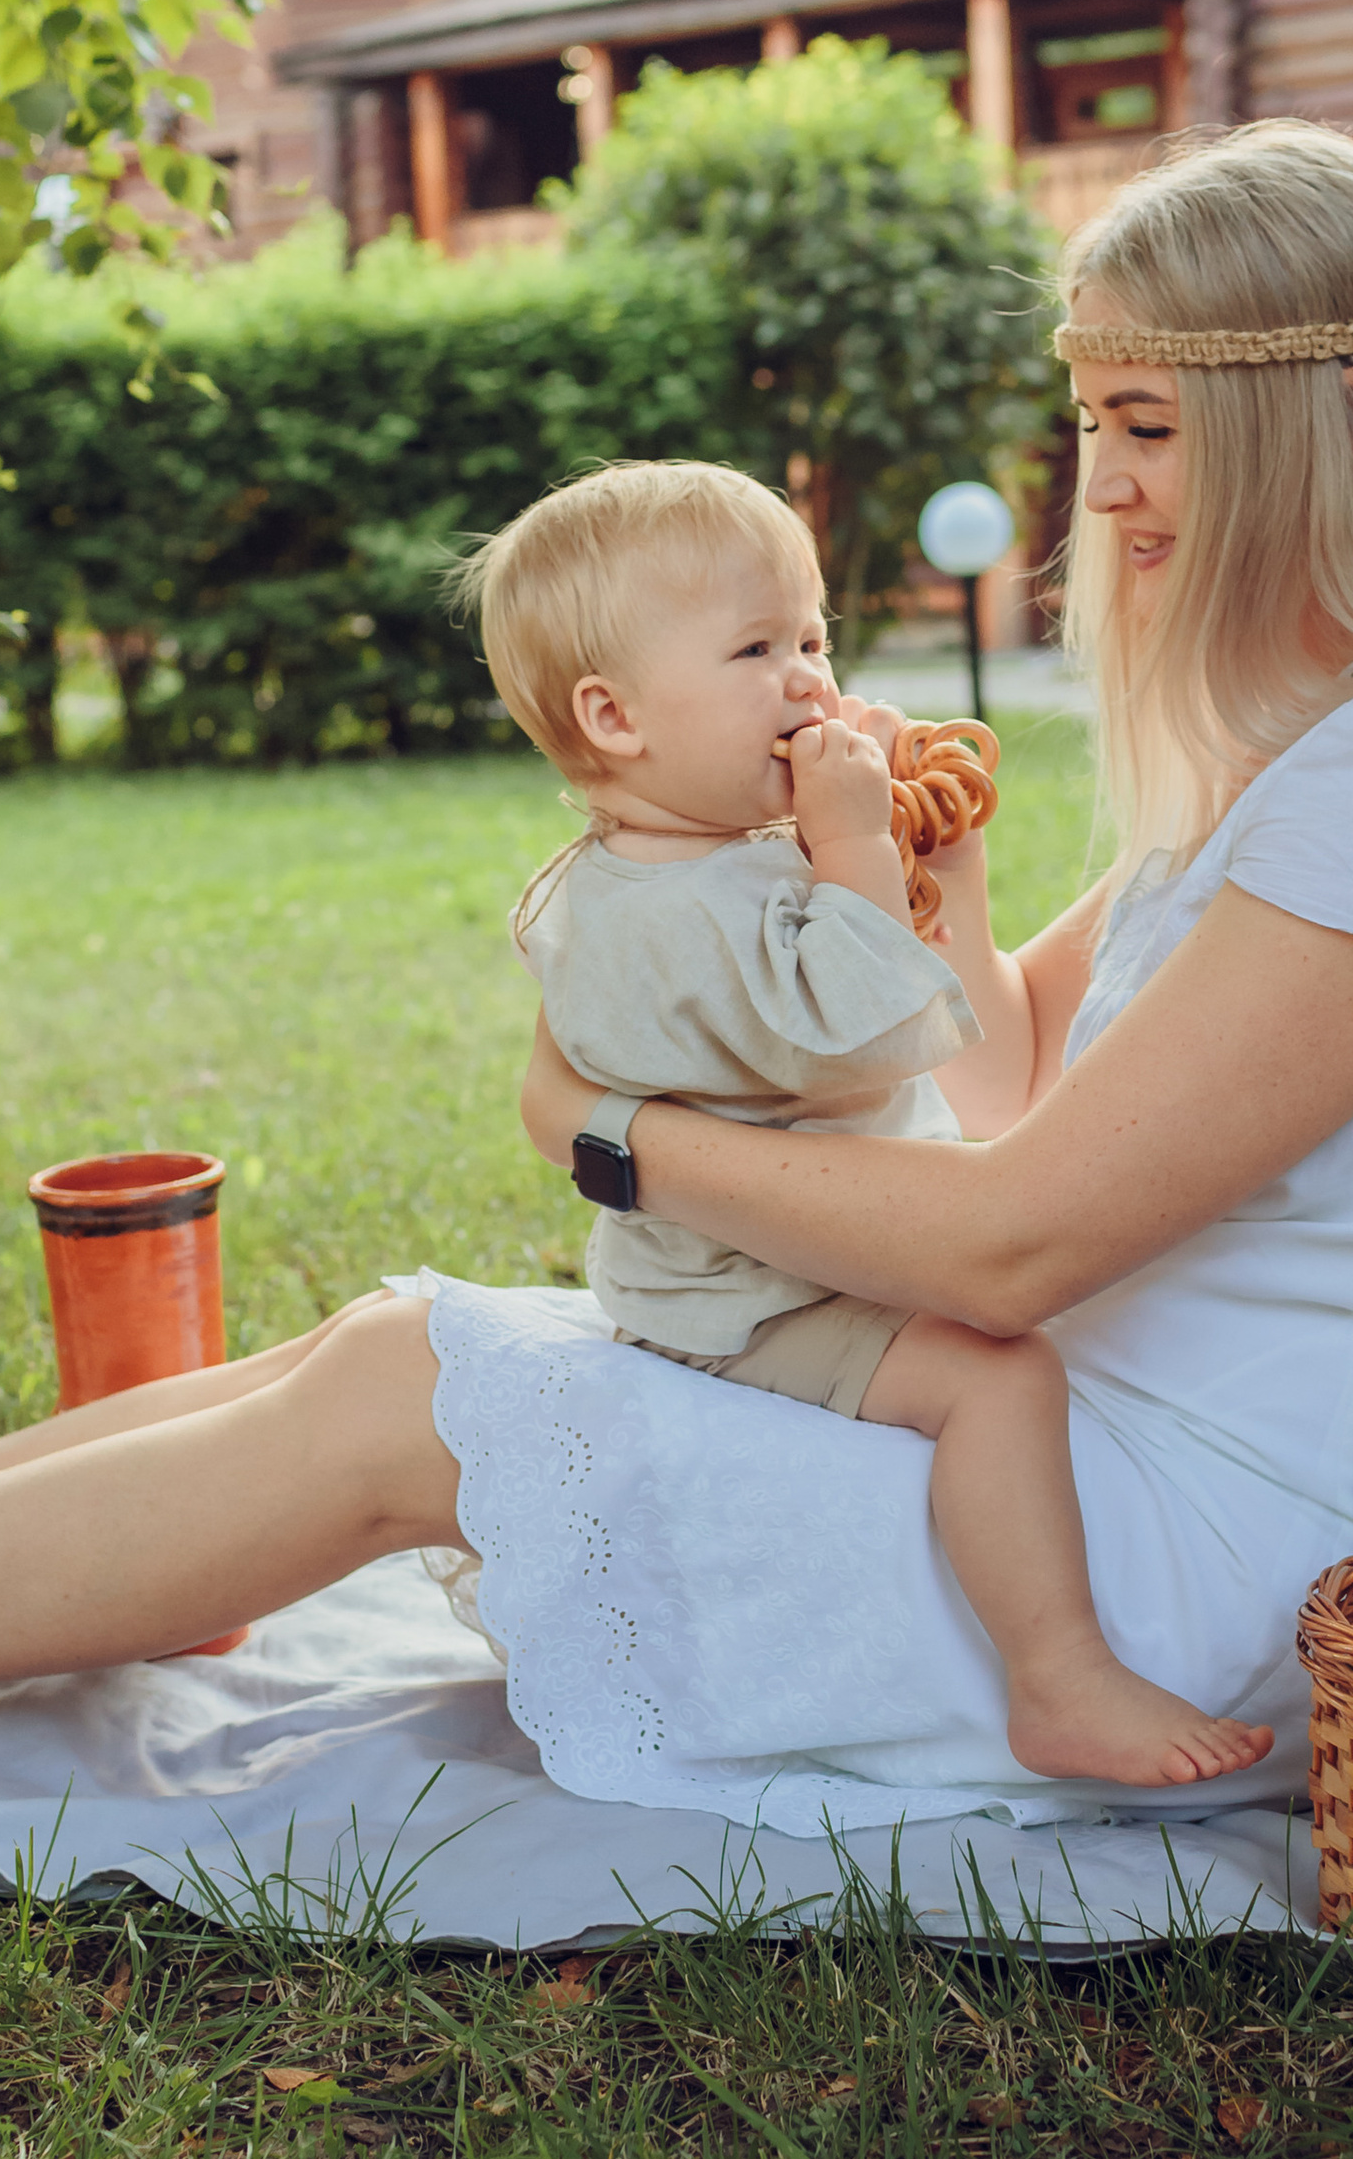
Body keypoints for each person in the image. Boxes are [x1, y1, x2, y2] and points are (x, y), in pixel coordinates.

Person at [0, 122, 1353, 1841]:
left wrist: (613, 1140)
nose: (1103, 491)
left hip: (1209, 1553)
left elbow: (1021, 1234)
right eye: (1094, 423)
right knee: (398, 1346)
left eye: (1144, 427)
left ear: (1336, 428)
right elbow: (1018, 1068)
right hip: (1065, 1443)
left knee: (414, 1401)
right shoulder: (1320, 753)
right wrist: (930, 891)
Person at [454, 458, 1267, 1790]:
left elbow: (893, 991)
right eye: (756, 648)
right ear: (615, 718)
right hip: (750, 1298)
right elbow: (871, 1044)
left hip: (786, 1246)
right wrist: (853, 855)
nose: (807, 678)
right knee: (999, 1378)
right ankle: (1058, 1679)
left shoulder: (702, 851)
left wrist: (893, 841)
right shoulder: (652, 917)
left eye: (815, 636)